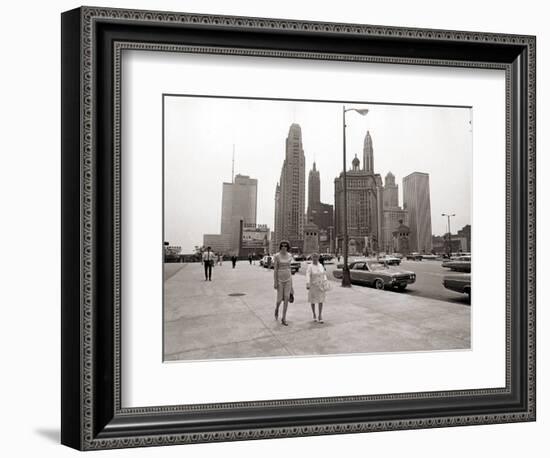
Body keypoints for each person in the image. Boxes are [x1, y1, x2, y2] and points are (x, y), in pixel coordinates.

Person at [273, 240, 293, 326]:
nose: (284, 247)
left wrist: (292, 286)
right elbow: (275, 270)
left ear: (288, 247)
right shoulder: (277, 256)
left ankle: (284, 318)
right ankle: (277, 308)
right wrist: (275, 282)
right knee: (279, 299)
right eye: (282, 246)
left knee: (287, 298)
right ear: (280, 247)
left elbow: (290, 269)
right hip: (280, 280)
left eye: (285, 246)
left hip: (288, 279)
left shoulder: (290, 255)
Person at [306, 252, 328, 323]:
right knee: (313, 300)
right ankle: (314, 314)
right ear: (312, 258)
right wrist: (308, 283)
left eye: (316, 257)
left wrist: (325, 282)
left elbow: (324, 274)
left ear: (318, 258)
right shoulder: (310, 266)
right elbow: (308, 275)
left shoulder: (320, 265)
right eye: (314, 257)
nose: (315, 258)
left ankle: (320, 315)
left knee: (321, 300)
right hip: (313, 285)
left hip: (321, 285)